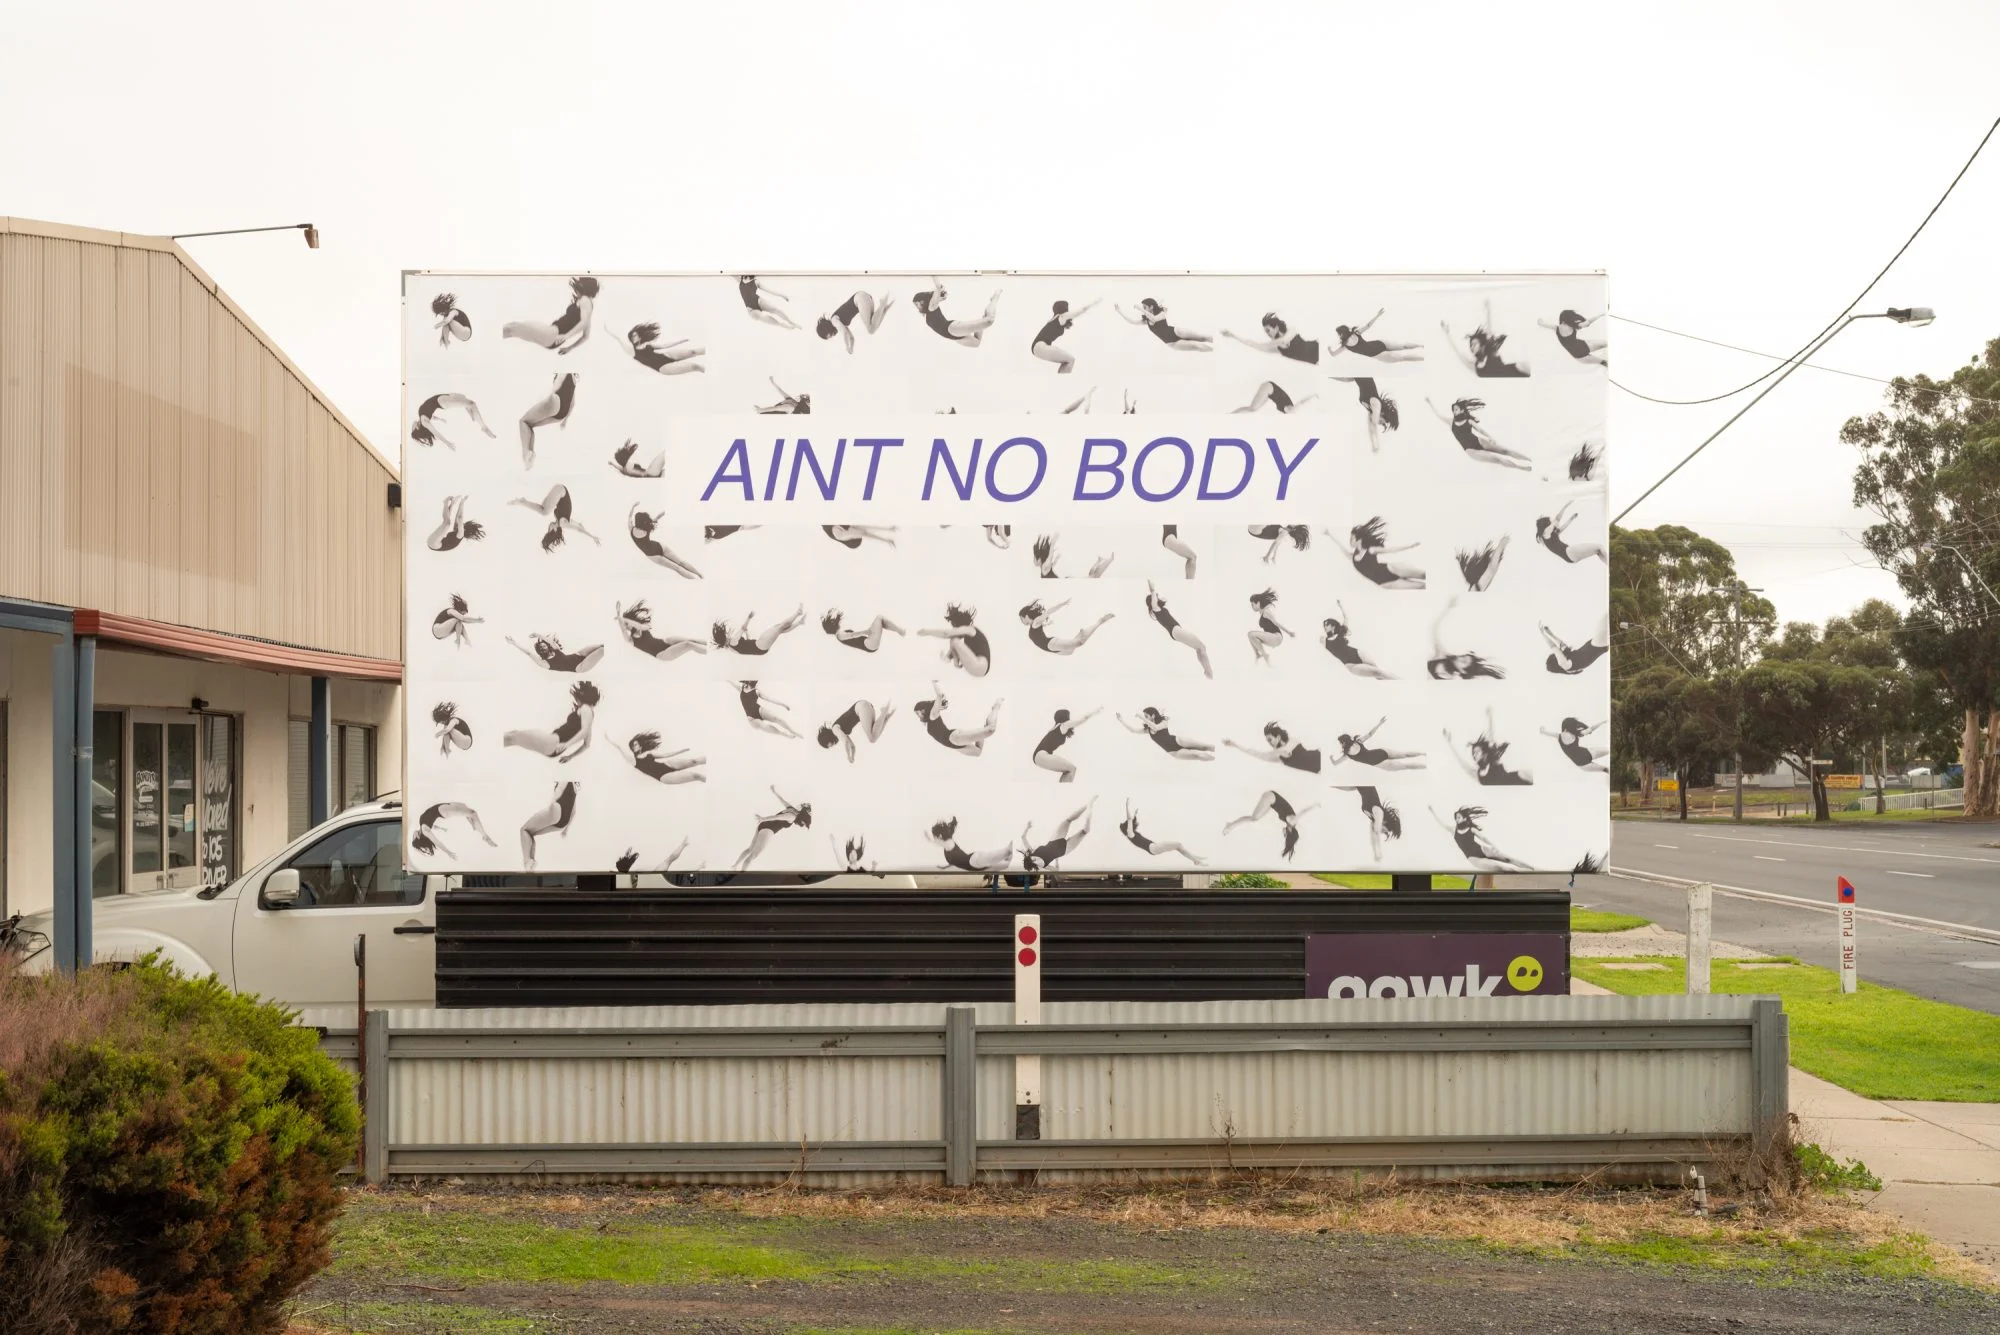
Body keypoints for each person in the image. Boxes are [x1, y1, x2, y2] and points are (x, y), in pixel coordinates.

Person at [1425, 397, 1532, 471]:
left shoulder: (1468, 420)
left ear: (1462, 410)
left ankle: (1530, 460)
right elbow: (1438, 415)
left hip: (1479, 441)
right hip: (1471, 450)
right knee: (1498, 459)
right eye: (1453, 410)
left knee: (1505, 451)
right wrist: (1430, 404)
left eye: (1456, 409)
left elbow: (1480, 430)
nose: (1454, 411)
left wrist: (1490, 438)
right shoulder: (1450, 422)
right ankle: (1523, 468)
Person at [503, 681, 599, 761]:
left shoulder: (585, 708)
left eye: (576, 698)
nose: (576, 701)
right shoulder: (589, 715)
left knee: (511, 737)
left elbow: (584, 732)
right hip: (552, 747)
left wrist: (566, 745)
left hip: (552, 743)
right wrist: (570, 756)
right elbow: (586, 744)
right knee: (512, 735)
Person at [503, 275, 598, 353]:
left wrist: (566, 336)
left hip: (551, 335)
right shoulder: (589, 307)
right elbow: (586, 336)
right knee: (512, 329)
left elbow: (584, 323)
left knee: (511, 328)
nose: (576, 291)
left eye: (578, 287)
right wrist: (569, 348)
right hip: (552, 341)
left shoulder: (585, 300)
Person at [1430, 805, 1535, 873]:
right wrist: (1433, 812)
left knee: (1508, 859)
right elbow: (1442, 824)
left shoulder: (1471, 829)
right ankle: (1523, 877)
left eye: (1458, 817)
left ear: (1465, 818)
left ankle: (1533, 870)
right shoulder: (1454, 830)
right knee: (1501, 868)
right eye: (1456, 818)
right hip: (1473, 858)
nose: (1456, 819)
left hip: (1482, 849)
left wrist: (1494, 847)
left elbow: (1483, 838)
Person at [1444, 707, 1534, 786]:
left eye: (1477, 752)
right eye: (1473, 753)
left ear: (1485, 753)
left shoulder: (1494, 761)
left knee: (1524, 773)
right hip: (1504, 796)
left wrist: (1490, 717)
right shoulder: (1478, 775)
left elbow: (1491, 740)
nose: (1474, 755)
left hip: (1517, 781)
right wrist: (1449, 743)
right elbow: (1463, 765)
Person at [1441, 300, 1530, 377]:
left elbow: (1489, 331)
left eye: (1474, 344)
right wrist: (1447, 334)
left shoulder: (1491, 352)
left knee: (1521, 365)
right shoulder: (1476, 368)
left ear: (1482, 345)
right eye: (1471, 345)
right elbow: (1458, 353)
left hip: (1515, 373)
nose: (1471, 347)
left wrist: (1488, 310)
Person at [1222, 790, 1317, 861]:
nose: (1283, 833)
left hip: (1272, 802)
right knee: (1254, 818)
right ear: (1290, 831)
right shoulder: (1292, 821)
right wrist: (1315, 805)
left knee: (1255, 818)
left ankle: (1231, 825)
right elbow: (1303, 812)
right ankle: (1230, 826)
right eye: (1285, 835)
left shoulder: (1290, 823)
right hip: (1271, 797)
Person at [913, 682, 1002, 756]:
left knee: (991, 729)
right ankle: (984, 728)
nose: (917, 715)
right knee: (978, 752)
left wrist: (934, 681)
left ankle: (996, 707)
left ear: (923, 709)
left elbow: (939, 695)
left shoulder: (932, 715)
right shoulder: (927, 722)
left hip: (954, 738)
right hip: (952, 745)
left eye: (918, 712)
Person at [1144, 581, 1213, 677]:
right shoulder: (1156, 610)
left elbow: (1158, 600)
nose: (1157, 597)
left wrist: (1154, 593)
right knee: (1202, 647)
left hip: (1175, 632)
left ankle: (1207, 671)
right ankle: (1209, 672)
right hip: (1175, 630)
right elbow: (1154, 602)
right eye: (1155, 597)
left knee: (1199, 649)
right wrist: (1152, 590)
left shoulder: (1158, 610)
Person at [1426, 596, 1505, 680]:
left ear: (1462, 671)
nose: (1459, 658)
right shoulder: (1441, 655)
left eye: (1464, 661)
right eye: (1463, 656)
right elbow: (1434, 629)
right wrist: (1448, 608)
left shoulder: (1453, 680)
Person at [735, 787, 812, 869]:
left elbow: (781, 799)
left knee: (750, 849)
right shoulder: (792, 816)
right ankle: (742, 874)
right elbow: (776, 817)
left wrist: (774, 792)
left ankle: (735, 866)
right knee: (753, 855)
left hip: (763, 825)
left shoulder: (790, 809)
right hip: (768, 829)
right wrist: (763, 818)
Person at [512, 485, 599, 553]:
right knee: (544, 512)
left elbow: (579, 526)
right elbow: (578, 528)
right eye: (549, 530)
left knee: (543, 509)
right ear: (554, 530)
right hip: (561, 491)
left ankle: (523, 502)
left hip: (560, 491)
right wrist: (592, 536)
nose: (548, 527)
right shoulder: (563, 523)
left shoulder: (561, 521)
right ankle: (523, 502)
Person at [518, 371, 578, 468]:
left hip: (555, 401)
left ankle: (525, 453)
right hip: (562, 414)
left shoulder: (565, 368)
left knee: (523, 421)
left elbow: (559, 382)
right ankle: (530, 455)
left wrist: (549, 396)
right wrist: (564, 422)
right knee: (529, 425)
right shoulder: (574, 380)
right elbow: (572, 404)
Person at [912, 280, 1001, 346]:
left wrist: (934, 276)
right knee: (977, 343)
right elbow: (938, 295)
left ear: (923, 301)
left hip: (951, 329)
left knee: (989, 320)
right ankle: (982, 320)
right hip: (953, 337)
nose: (916, 306)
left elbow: (938, 288)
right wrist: (941, 296)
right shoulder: (925, 313)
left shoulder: (931, 306)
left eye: (917, 303)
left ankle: (995, 298)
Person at [1325, 375, 1401, 453]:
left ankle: (1327, 374)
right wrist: (1377, 443)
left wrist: (1374, 444)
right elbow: (1374, 422)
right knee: (1345, 378)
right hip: (1362, 373)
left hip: (1357, 376)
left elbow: (1371, 429)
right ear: (1382, 413)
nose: (1379, 423)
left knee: (1345, 379)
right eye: (1381, 421)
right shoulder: (1376, 403)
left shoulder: (1371, 410)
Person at [1330, 785, 1403, 863]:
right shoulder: (1378, 812)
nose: (1382, 832)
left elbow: (1372, 836)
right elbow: (1377, 832)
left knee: (1343, 787)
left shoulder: (1373, 819)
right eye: (1384, 830)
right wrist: (1379, 851)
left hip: (1358, 785)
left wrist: (1375, 853)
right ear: (1384, 822)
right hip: (1365, 782)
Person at [1118, 800, 1206, 864]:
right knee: (1178, 845)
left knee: (1178, 847)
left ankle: (1194, 858)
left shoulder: (1132, 834)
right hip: (1153, 848)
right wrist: (1126, 806)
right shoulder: (1130, 834)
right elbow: (1129, 819)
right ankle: (1195, 859)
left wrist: (1135, 814)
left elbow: (1131, 819)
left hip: (1153, 848)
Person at [1321, 603, 1394, 679]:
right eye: (1324, 625)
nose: (1324, 627)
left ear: (1333, 626)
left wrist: (1340, 606)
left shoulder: (1340, 633)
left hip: (1359, 654)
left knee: (1380, 674)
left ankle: (1398, 680)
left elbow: (1346, 618)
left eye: (1326, 624)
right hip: (1350, 665)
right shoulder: (1325, 640)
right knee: (1377, 673)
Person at [616, 600, 706, 662]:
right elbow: (623, 629)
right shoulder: (630, 639)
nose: (626, 626)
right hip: (662, 654)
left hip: (665, 641)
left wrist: (623, 619)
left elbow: (639, 626)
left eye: (627, 623)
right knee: (689, 644)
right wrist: (619, 616)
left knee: (693, 640)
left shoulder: (644, 626)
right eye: (625, 624)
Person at [1348, 517, 1424, 588]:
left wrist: (1409, 546)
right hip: (1385, 583)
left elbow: (1391, 550)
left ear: (1359, 540)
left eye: (1352, 538)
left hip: (1392, 569)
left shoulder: (1371, 550)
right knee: (1422, 586)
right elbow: (1340, 547)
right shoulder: (1352, 556)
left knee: (1424, 575)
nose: (1350, 541)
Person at [918, 603, 992, 676]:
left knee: (954, 639)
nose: (954, 629)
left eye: (954, 627)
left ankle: (949, 659)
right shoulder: (967, 635)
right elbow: (950, 638)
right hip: (977, 668)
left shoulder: (970, 629)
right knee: (953, 639)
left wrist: (927, 632)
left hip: (979, 666)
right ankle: (949, 659)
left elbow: (946, 633)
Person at [1018, 599, 1114, 655]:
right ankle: (1082, 633)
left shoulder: (1035, 622)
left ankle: (1100, 621)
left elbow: (1049, 612)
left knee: (1079, 643)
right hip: (1051, 649)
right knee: (1071, 651)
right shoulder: (1035, 624)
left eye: (1021, 619)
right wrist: (1047, 624)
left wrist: (1062, 604)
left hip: (1050, 644)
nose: (1021, 621)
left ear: (1025, 616)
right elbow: (1039, 630)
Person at [628, 506, 702, 579]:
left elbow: (629, 516)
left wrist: (633, 507)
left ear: (637, 521)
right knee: (681, 563)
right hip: (659, 546)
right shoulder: (647, 528)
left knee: (677, 568)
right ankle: (700, 575)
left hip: (653, 555)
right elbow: (658, 516)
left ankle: (696, 580)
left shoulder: (631, 528)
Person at [1021, 800, 1095, 873]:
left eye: (1032, 859)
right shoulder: (1037, 859)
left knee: (1076, 826)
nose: (1034, 859)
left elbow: (1023, 837)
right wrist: (1027, 827)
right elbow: (1023, 837)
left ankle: (1088, 809)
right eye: (1033, 860)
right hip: (1059, 845)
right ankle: (1088, 808)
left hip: (1058, 845)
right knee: (1076, 825)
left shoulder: (1037, 859)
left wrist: (1027, 827)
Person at [1328, 716, 1426, 771]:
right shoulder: (1357, 741)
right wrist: (1379, 724)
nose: (1340, 745)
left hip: (1380, 763)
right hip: (1381, 752)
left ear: (1344, 743)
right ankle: (1424, 754)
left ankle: (1426, 765)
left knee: (1407, 766)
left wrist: (1331, 758)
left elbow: (1335, 764)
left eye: (1340, 743)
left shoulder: (1348, 755)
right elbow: (1370, 734)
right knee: (1405, 754)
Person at [519, 781, 579, 870]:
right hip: (563, 823)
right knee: (530, 833)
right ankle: (531, 862)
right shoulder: (575, 788)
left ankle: (527, 862)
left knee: (524, 830)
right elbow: (573, 812)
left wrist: (550, 808)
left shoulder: (565, 778)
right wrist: (565, 830)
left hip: (556, 810)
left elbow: (557, 793)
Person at [1030, 707, 1100, 783]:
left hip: (1038, 756)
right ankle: (1063, 790)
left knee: (1069, 770)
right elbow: (1082, 720)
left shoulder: (1055, 728)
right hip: (1041, 755)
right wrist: (1094, 712)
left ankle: (1061, 790)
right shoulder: (1063, 725)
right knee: (1072, 769)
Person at [1118, 706, 1215, 761]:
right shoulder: (1148, 730)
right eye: (1144, 716)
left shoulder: (1163, 722)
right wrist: (1121, 720)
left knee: (1205, 747)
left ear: (1153, 715)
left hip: (1179, 741)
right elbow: (1133, 730)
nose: (1145, 718)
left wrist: (1141, 717)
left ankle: (1220, 751)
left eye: (1146, 716)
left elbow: (1155, 727)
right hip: (1173, 752)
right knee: (1197, 755)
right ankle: (1215, 760)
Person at [1116, 297, 1213, 351]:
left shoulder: (1161, 313)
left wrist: (1140, 309)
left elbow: (1154, 318)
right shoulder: (1146, 321)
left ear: (1151, 307)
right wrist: (1119, 312)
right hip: (1172, 343)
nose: (1143, 309)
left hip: (1176, 332)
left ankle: (1218, 343)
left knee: (1203, 337)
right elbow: (1132, 322)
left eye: (1145, 307)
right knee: (1197, 345)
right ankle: (1212, 352)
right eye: (1143, 308)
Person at [1328, 308, 1425, 362]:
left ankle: (1423, 357)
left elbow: (1333, 355)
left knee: (1404, 358)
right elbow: (1368, 325)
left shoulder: (1345, 346)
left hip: (1379, 355)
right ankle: (1422, 346)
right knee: (1403, 346)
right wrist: (1377, 315)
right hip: (1379, 344)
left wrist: (1329, 349)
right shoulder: (1356, 333)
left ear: (1341, 334)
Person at [410, 801, 498, 860]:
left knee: (465, 807)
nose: (413, 835)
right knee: (472, 813)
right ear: (418, 837)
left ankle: (472, 823)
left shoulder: (422, 827)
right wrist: (448, 852)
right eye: (413, 837)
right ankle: (485, 836)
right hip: (442, 811)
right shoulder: (425, 830)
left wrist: (441, 829)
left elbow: (431, 825)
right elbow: (437, 842)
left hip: (444, 806)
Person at [1222, 312, 1322, 364]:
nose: (1267, 334)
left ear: (1277, 328)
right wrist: (1233, 336)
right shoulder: (1277, 349)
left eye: (1268, 330)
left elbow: (1284, 340)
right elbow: (1251, 344)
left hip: (1319, 348)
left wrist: (1262, 344)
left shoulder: (1291, 331)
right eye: (1266, 332)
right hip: (1317, 362)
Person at [1224, 722, 1322, 773]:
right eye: (1267, 741)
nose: (1269, 743)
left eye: (1270, 739)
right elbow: (1256, 753)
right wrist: (1236, 745)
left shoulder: (1293, 741)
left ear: (1278, 737)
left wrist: (1281, 752)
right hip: (1320, 770)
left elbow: (1287, 750)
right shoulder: (1277, 756)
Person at [1030, 298, 1098, 372]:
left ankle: (1061, 379)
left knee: (1069, 360)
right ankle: (1062, 381)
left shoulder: (1054, 319)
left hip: (1037, 348)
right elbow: (1081, 310)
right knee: (1070, 360)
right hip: (1040, 346)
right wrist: (1095, 302)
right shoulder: (1062, 316)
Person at [816, 699, 895, 763]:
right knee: (874, 737)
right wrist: (852, 757)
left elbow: (846, 742)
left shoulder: (835, 729)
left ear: (826, 739)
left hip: (861, 708)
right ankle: (885, 718)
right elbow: (852, 746)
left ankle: (884, 712)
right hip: (865, 707)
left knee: (872, 738)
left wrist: (848, 756)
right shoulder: (841, 732)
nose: (830, 746)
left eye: (827, 745)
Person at [410, 392, 496, 450]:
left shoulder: (422, 418)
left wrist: (440, 419)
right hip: (442, 401)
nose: (412, 425)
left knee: (463, 397)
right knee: (471, 404)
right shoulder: (424, 422)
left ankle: (471, 413)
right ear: (417, 428)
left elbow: (430, 414)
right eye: (412, 428)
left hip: (443, 397)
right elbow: (436, 432)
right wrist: (447, 443)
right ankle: (484, 427)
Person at [926, 816, 1013, 873]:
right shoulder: (947, 848)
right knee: (1006, 864)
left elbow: (936, 842)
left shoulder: (948, 843)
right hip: (976, 865)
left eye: (936, 836)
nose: (935, 838)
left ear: (940, 836)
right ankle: (1010, 848)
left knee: (1007, 852)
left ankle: (1011, 845)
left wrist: (929, 839)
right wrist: (944, 867)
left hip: (974, 861)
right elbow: (955, 861)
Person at [816, 289, 894, 352]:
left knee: (870, 329)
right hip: (863, 299)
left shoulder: (834, 321)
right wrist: (851, 348)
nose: (831, 336)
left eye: (828, 335)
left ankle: (882, 304)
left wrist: (847, 346)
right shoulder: (839, 323)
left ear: (826, 330)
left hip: (859, 299)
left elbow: (845, 333)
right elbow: (851, 337)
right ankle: (884, 308)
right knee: (872, 329)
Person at [711, 606, 807, 656]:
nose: (727, 633)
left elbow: (745, 648)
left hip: (760, 646)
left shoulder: (731, 648)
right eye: (726, 634)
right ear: (725, 637)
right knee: (779, 627)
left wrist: (747, 634)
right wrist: (749, 617)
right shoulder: (732, 641)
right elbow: (743, 627)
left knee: (778, 629)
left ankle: (799, 623)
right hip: (760, 645)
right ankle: (797, 613)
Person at [1535, 500, 1608, 564]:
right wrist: (1566, 506)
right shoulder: (1545, 533)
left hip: (1570, 558)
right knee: (1600, 546)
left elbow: (1563, 527)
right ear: (1545, 523)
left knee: (1598, 551)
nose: (1551, 520)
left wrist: (1571, 519)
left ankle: (1608, 566)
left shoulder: (1551, 534)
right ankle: (1609, 566)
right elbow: (1557, 519)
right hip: (1569, 552)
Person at [621, 731, 706, 785]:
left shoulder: (648, 753)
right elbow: (620, 749)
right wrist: (610, 740)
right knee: (695, 775)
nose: (636, 746)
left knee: (694, 761)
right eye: (633, 745)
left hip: (667, 765)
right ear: (631, 748)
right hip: (663, 776)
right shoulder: (634, 761)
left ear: (640, 746)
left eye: (636, 744)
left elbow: (665, 755)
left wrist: (681, 751)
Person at [622, 322, 704, 375]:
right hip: (662, 367)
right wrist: (608, 331)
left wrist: (680, 341)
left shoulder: (647, 344)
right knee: (694, 366)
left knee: (692, 351)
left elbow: (664, 346)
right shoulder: (633, 351)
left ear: (639, 337)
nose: (634, 337)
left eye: (635, 335)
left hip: (666, 356)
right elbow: (620, 341)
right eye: (632, 336)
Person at [1541, 616, 1610, 675]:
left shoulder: (1569, 662)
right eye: (1555, 656)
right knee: (1606, 618)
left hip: (1596, 644)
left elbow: (1561, 644)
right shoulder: (1565, 665)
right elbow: (1554, 647)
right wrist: (1543, 634)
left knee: (1607, 619)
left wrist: (1550, 634)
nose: (1557, 655)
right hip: (1597, 645)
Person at [506, 633, 604, 673]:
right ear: (540, 651)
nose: (543, 647)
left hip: (579, 654)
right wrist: (514, 643)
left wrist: (537, 634)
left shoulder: (555, 650)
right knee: (602, 650)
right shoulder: (545, 664)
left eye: (544, 645)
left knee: (602, 645)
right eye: (541, 647)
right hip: (580, 666)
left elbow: (550, 642)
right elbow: (529, 653)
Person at [1539, 308, 1606, 366]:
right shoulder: (1572, 326)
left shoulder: (1556, 328)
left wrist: (1541, 322)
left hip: (1580, 357)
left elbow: (1544, 325)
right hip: (1583, 349)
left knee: (1604, 361)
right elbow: (1587, 322)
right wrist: (1599, 316)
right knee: (1606, 344)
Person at [1245, 588, 1294, 666]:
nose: (1252, 607)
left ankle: (1264, 655)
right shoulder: (1262, 613)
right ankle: (1259, 656)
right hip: (1271, 638)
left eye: (1252, 604)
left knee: (1250, 634)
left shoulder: (1266, 611)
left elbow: (1276, 623)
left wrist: (1289, 633)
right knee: (1251, 637)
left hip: (1276, 637)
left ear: (1258, 603)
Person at [821, 608, 907, 653]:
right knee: (879, 617)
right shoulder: (839, 635)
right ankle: (900, 631)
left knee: (881, 621)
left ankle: (899, 631)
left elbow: (852, 637)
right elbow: (852, 635)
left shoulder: (839, 635)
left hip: (870, 645)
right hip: (869, 643)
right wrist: (865, 632)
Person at [1031, 533, 1113, 579]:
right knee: (1092, 577)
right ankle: (1104, 560)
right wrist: (1053, 544)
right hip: (1064, 583)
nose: (1035, 561)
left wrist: (1055, 554)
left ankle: (1103, 560)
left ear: (1039, 559)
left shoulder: (1044, 567)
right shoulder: (1045, 567)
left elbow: (1050, 559)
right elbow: (1050, 558)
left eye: (1035, 559)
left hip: (1065, 581)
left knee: (1092, 576)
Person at [737, 681, 801, 739]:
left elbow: (769, 699)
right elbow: (731, 680)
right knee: (764, 726)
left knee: (777, 718)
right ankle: (783, 733)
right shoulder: (741, 688)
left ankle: (792, 731)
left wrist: (783, 705)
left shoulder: (756, 691)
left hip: (759, 710)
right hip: (752, 719)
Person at [1543, 716, 1609, 772]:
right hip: (1586, 755)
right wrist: (1602, 723)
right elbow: (1590, 729)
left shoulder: (1560, 735)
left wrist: (1542, 730)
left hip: (1583, 762)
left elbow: (1545, 732)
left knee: (1606, 769)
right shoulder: (1575, 733)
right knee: (1607, 757)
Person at [1233, 381, 1318, 414]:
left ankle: (1232, 415)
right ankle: (1231, 415)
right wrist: (1313, 396)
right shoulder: (1292, 410)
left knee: (1252, 409)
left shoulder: (1288, 412)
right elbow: (1302, 402)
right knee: (1252, 408)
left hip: (1269, 392)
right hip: (1269, 388)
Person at [823, 523, 897, 549]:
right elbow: (867, 533)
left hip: (841, 531)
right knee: (863, 532)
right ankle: (888, 537)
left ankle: (889, 534)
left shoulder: (839, 530)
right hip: (849, 538)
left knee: (863, 530)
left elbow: (867, 529)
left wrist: (888, 529)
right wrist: (887, 540)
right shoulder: (841, 534)